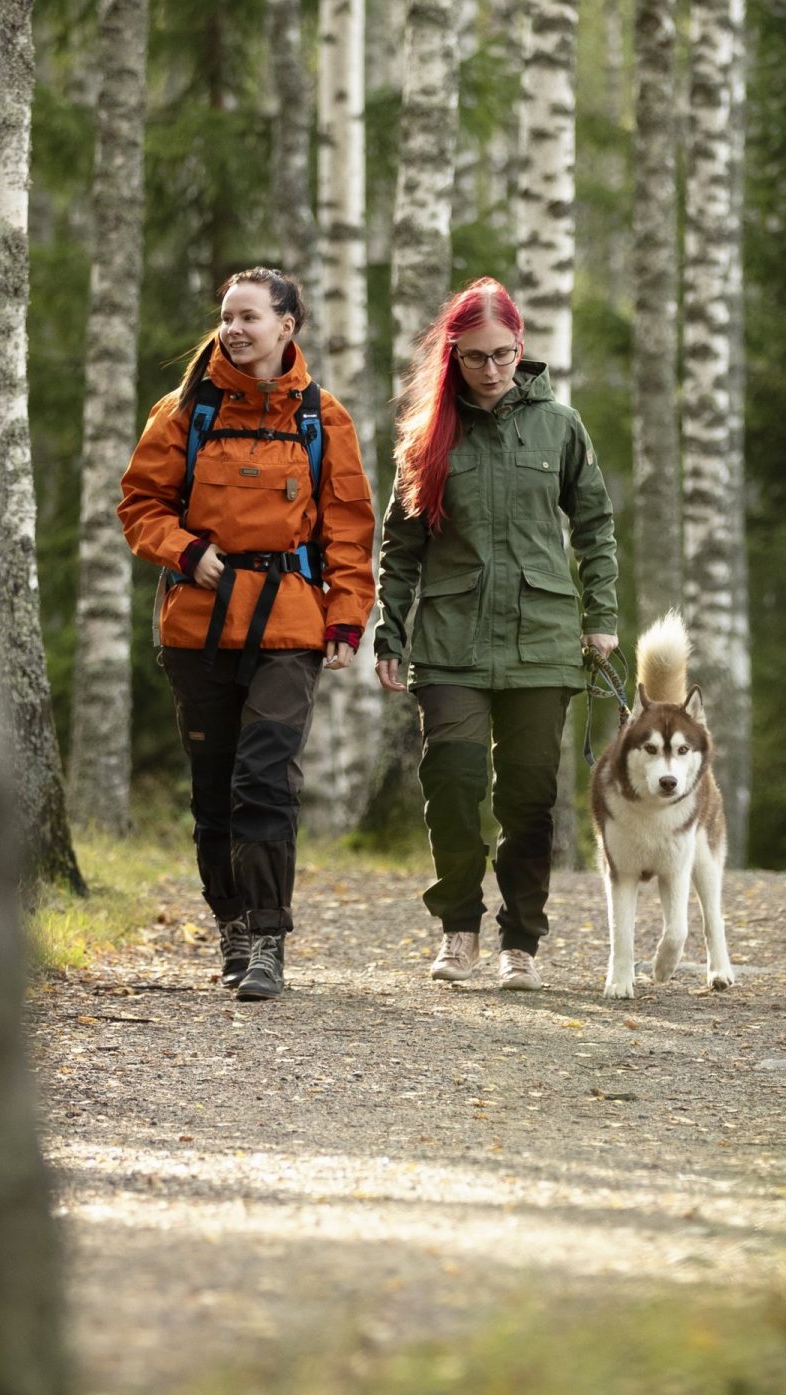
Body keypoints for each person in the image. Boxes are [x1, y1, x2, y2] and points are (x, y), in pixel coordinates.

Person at [119, 268, 377, 1001]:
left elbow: (350, 531)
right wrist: (184, 550)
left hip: (290, 624)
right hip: (197, 627)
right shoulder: (184, 411)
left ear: (287, 326)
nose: (234, 328)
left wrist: (346, 617)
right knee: (213, 790)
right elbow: (139, 505)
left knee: (265, 779)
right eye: (227, 316)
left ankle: (267, 941)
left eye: (250, 317)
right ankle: (230, 923)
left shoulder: (322, 419)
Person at [375, 278, 619, 991]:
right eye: (477, 357)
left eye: (504, 354)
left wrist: (601, 618)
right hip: (451, 638)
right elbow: (401, 549)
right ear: (454, 356)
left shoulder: (561, 427)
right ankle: (458, 929)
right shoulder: (426, 434)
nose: (492, 369)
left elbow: (597, 527)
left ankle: (522, 943)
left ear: (522, 348)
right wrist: (390, 635)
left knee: (529, 795)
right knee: (451, 781)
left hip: (544, 640)